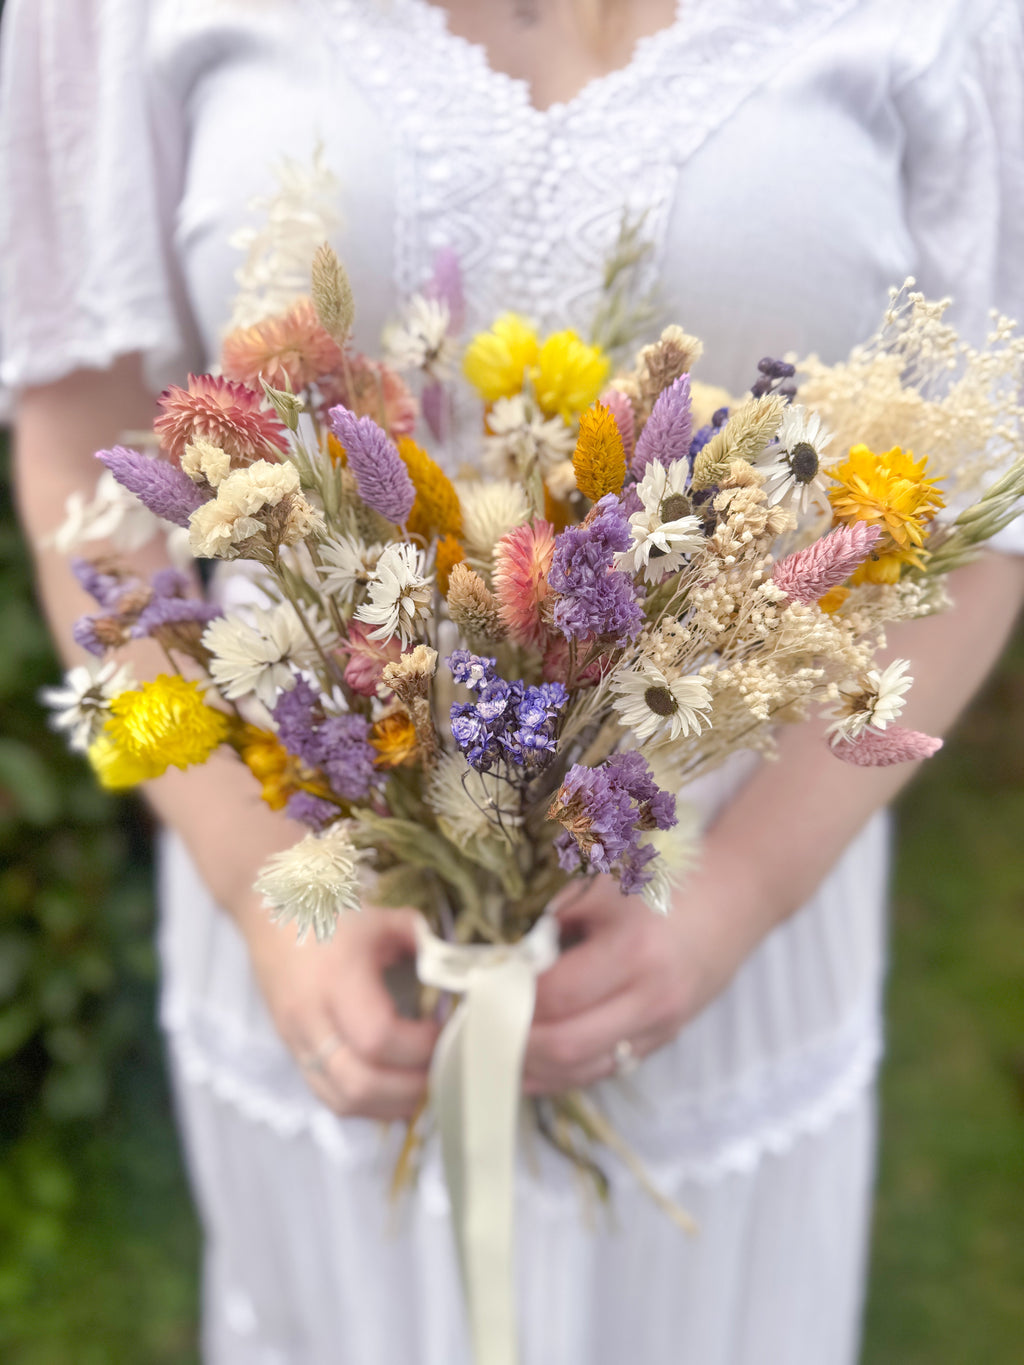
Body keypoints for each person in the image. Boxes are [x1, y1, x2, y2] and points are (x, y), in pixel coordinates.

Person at [3, 1, 1024, 1361]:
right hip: (326, 901)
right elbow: (83, 441)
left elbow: (983, 510)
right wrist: (256, 876)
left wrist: (732, 900)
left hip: (723, 895)